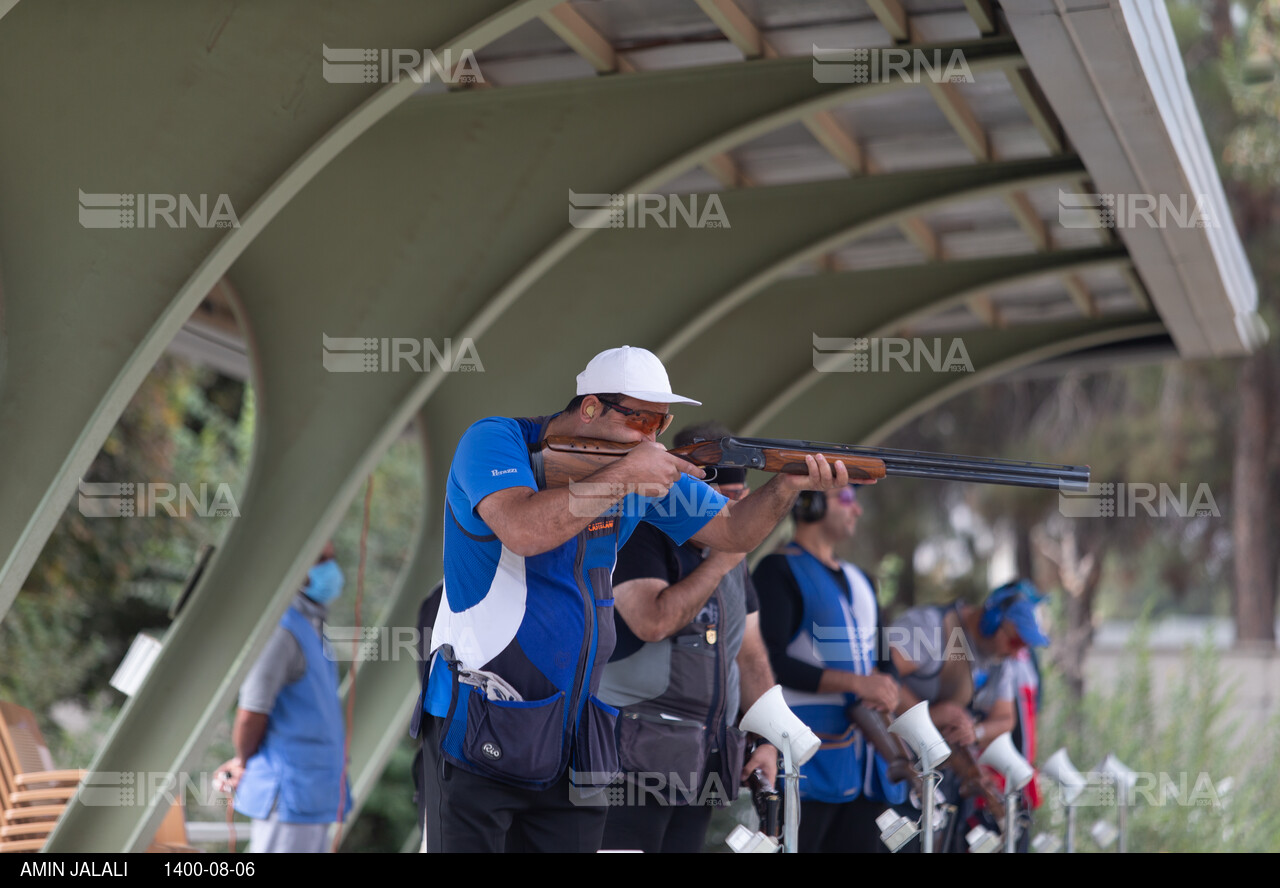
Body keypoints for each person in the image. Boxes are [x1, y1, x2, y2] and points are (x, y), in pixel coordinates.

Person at [413, 345, 850, 853]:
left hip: (575, 736)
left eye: (661, 422)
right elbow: (524, 529)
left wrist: (787, 484)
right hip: (480, 721)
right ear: (591, 407)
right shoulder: (495, 440)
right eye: (640, 418)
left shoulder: (636, 472)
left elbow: (733, 530)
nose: (652, 437)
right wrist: (627, 476)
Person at [596, 421, 780, 853]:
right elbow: (652, 621)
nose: (730, 514)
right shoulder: (639, 528)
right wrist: (720, 560)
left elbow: (750, 657)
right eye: (717, 501)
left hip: (701, 766)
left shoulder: (737, 558)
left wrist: (770, 740)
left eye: (737, 501)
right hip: (627, 765)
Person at [753, 485, 907, 853]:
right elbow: (769, 660)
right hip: (803, 762)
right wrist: (856, 683)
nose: (857, 511)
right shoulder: (777, 570)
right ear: (811, 503)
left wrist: (888, 688)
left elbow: (883, 662)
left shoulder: (863, 580)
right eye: (847, 500)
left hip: (863, 764)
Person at [889, 579, 1049, 851]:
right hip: (892, 766)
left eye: (1023, 646)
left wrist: (975, 732)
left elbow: (1005, 719)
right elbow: (881, 677)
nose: (1016, 652)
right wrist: (931, 714)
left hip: (939, 779)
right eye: (1014, 640)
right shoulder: (931, 628)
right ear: (991, 618)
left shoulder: (1003, 661)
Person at [214, 541, 351, 853]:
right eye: (320, 559)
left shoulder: (312, 627)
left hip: (313, 792)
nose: (330, 569)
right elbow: (252, 711)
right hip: (290, 792)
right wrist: (243, 759)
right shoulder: (281, 630)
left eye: (331, 558)